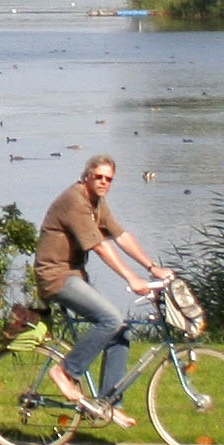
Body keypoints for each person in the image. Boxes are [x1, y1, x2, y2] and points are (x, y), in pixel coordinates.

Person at [32, 153, 174, 425]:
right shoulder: (75, 201)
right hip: (55, 276)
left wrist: (152, 267)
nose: (104, 182)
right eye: (99, 177)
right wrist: (131, 278)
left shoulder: (98, 204)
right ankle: (64, 372)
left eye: (108, 179)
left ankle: (107, 404)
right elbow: (99, 246)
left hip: (74, 275)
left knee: (121, 330)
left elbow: (121, 236)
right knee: (111, 318)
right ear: (86, 176)